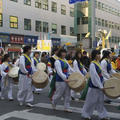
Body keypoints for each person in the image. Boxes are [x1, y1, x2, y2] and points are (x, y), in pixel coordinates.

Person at [82, 50, 109, 120]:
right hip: (94, 86)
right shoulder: (92, 64)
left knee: (100, 101)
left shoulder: (98, 63)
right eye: (97, 54)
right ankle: (85, 114)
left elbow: (101, 75)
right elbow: (94, 76)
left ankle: (102, 115)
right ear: (94, 55)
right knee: (90, 101)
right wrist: (100, 86)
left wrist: (106, 82)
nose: (99, 55)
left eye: (99, 54)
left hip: (100, 85)